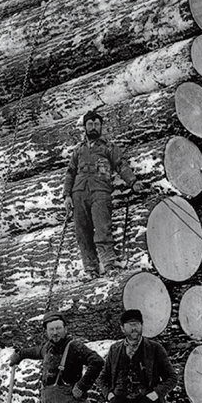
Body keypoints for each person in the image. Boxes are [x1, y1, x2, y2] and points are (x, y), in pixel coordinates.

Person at [63, 109, 144, 279]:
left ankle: (109, 265)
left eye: (96, 124)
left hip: (100, 192)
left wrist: (133, 181)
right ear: (85, 127)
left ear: (101, 127)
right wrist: (67, 195)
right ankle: (90, 269)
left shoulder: (109, 147)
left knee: (102, 229)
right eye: (90, 124)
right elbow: (70, 172)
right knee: (82, 232)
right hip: (79, 193)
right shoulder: (78, 150)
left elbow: (121, 164)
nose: (93, 127)